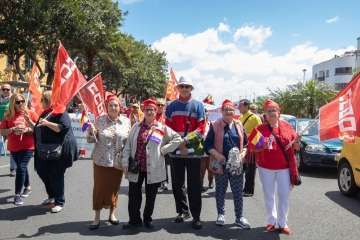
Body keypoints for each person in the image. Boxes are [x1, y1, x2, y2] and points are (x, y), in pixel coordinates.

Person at [122, 99, 182, 229]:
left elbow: (178, 138)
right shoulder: (136, 127)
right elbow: (127, 146)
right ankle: (134, 220)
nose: (149, 112)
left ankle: (147, 219)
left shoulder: (162, 128)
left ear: (156, 112)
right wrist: (125, 161)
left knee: (151, 197)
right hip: (136, 167)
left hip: (153, 168)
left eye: (152, 109)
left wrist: (164, 150)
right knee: (133, 195)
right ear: (143, 111)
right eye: (147, 109)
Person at [248, 99, 299, 235]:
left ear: (279, 112)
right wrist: (261, 146)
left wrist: (296, 144)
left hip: (284, 168)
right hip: (266, 168)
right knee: (269, 195)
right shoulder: (259, 129)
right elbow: (251, 147)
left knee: (284, 196)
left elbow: (295, 144)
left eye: (274, 110)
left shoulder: (287, 126)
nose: (272, 113)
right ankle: (271, 221)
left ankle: (282, 223)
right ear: (265, 114)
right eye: (269, 111)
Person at [165, 76, 205, 230]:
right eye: (182, 86)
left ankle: (196, 216)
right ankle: (182, 211)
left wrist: (185, 141)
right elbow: (167, 128)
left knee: (194, 185)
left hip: (193, 152)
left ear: (191, 89)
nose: (184, 89)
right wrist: (177, 143)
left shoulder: (198, 106)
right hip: (175, 152)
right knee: (177, 184)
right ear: (178, 88)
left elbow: (202, 128)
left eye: (187, 87)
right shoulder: (171, 106)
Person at [204, 99, 250, 228]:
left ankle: (239, 217)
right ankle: (221, 214)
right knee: (220, 191)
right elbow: (207, 145)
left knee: (237, 192)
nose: (228, 112)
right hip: (221, 164)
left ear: (234, 111)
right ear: (221, 111)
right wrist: (218, 155)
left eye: (230, 109)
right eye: (226, 110)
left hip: (237, 165)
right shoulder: (215, 125)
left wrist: (242, 155)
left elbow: (246, 144)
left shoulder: (239, 124)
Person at [87, 94, 130, 230]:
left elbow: (128, 141)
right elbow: (90, 140)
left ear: (120, 107)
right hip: (101, 160)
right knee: (99, 189)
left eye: (115, 105)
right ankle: (96, 217)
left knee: (114, 188)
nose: (113, 107)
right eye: (110, 105)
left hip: (117, 162)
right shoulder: (99, 120)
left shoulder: (126, 121)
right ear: (106, 107)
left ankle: (112, 214)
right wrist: (90, 132)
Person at [33, 91, 78, 213]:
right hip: (44, 150)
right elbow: (38, 127)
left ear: (48, 100)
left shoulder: (60, 112)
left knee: (56, 175)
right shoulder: (45, 112)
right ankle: (51, 196)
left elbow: (62, 128)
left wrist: (47, 123)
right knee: (42, 171)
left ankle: (59, 201)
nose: (40, 102)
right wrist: (29, 123)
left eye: (42, 99)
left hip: (59, 151)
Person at [0, 93, 38, 205]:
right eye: (18, 102)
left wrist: (26, 130)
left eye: (22, 101)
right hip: (13, 146)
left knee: (21, 167)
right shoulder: (8, 115)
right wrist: (12, 129)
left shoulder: (30, 113)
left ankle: (17, 195)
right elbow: (2, 131)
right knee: (23, 167)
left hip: (28, 146)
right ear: (13, 103)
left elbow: (38, 128)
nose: (21, 103)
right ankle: (28, 186)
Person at [238, 99, 262, 197]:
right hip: (242, 146)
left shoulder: (255, 118)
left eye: (240, 106)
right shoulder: (240, 117)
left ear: (246, 106)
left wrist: (253, 145)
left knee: (250, 170)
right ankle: (243, 188)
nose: (238, 108)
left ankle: (249, 190)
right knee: (241, 169)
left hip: (251, 147)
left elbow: (260, 132)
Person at [0, 84, 16, 177]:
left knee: (13, 148)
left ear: (11, 90)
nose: (5, 91)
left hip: (10, 126)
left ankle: (13, 168)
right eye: (3, 89)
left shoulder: (14, 100)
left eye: (7, 89)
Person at [200, 108, 214, 192]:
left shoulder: (211, 124)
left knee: (210, 168)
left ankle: (211, 182)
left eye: (206, 114)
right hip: (201, 150)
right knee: (201, 169)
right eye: (203, 114)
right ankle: (200, 184)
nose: (205, 116)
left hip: (210, 150)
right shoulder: (199, 125)